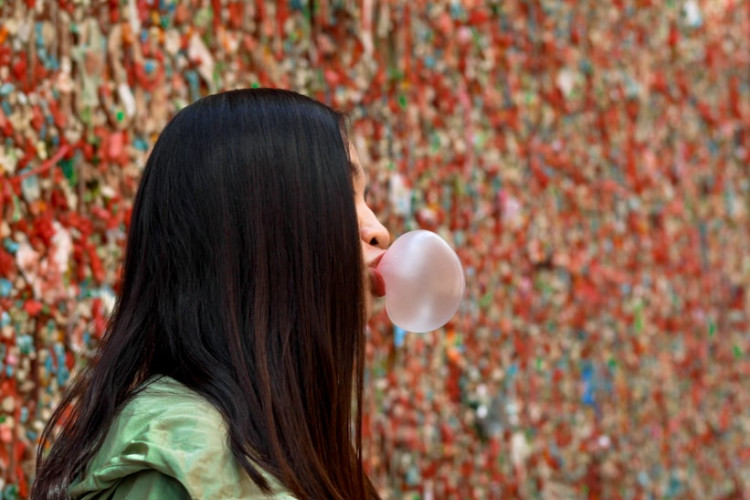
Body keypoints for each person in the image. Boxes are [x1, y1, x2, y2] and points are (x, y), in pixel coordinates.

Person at [32, 88, 390, 500]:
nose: (379, 229)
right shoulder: (176, 466)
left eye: (365, 199)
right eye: (343, 193)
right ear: (261, 229)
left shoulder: (282, 446)